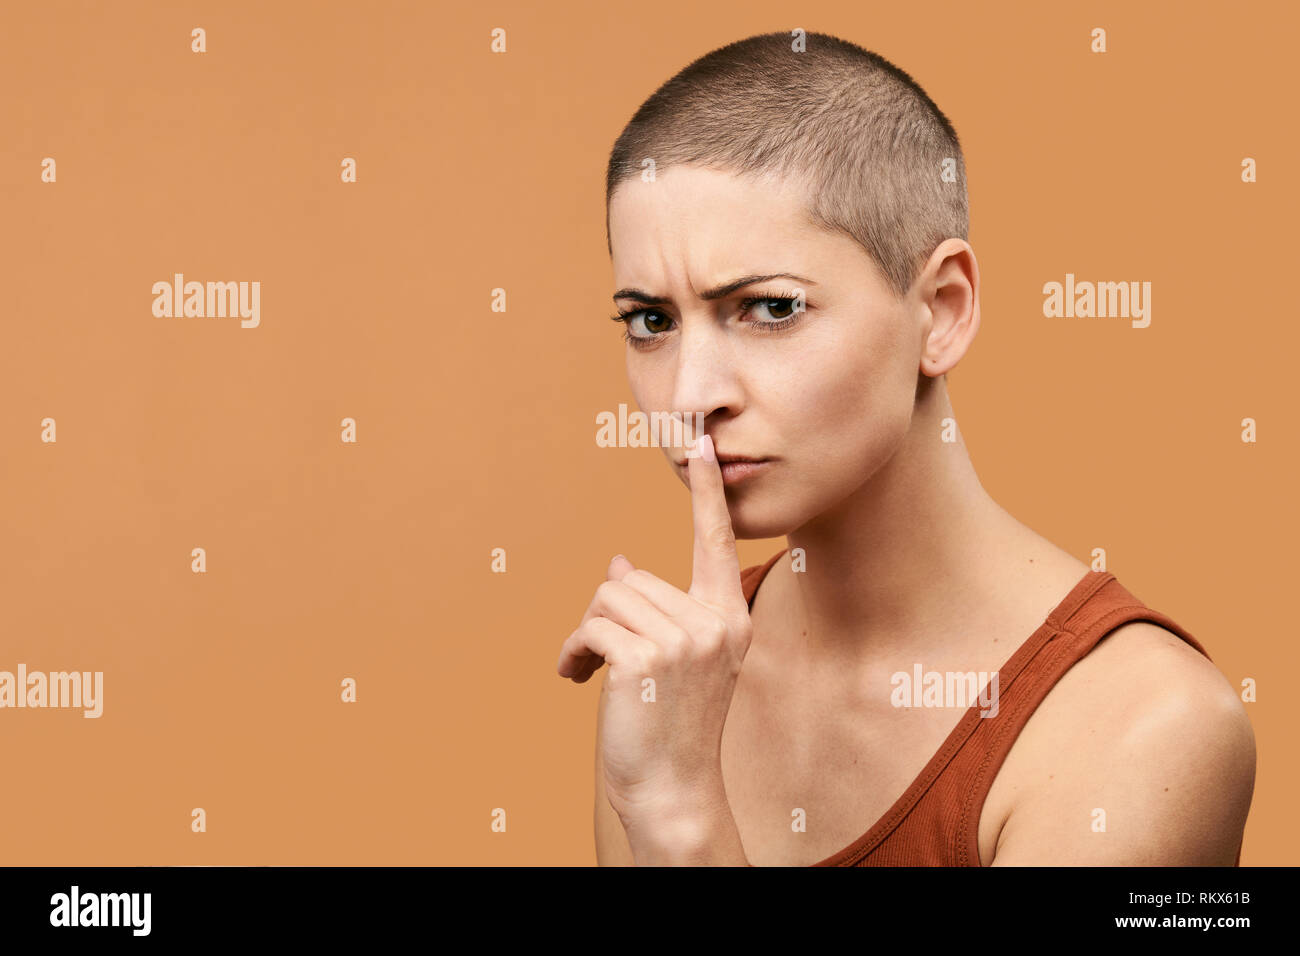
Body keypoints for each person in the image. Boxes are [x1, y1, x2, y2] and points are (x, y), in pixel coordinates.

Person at [555, 31, 1255, 866]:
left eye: (770, 309)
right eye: (651, 321)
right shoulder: (673, 680)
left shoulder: (1151, 726)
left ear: (944, 309)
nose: (688, 395)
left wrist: (676, 808)